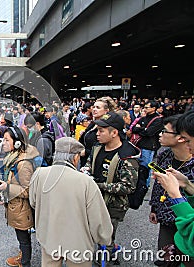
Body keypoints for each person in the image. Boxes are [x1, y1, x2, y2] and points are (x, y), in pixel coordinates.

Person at [29, 137, 113, 266]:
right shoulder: (85, 182)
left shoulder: (39, 174)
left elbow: (33, 202)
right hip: (78, 241)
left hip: (49, 235)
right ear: (75, 158)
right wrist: (103, 237)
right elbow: (97, 218)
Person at [82, 112, 139, 262]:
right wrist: (85, 172)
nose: (97, 134)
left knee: (106, 237)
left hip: (113, 205)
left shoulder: (127, 155)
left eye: (101, 131)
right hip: (93, 200)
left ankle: (107, 259)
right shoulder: (97, 148)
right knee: (93, 233)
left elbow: (128, 187)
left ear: (114, 133)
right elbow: (89, 164)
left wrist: (99, 185)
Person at [149, 114, 194, 265]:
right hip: (167, 221)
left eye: (188, 140)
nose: (160, 134)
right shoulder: (165, 154)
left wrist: (176, 194)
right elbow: (158, 186)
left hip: (185, 222)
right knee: (165, 259)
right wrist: (155, 208)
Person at [0, 126, 40, 267]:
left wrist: (7, 188)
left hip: (23, 208)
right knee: (22, 237)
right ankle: (23, 257)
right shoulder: (14, 157)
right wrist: (4, 191)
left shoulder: (23, 163)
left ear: (18, 143)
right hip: (16, 205)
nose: (3, 143)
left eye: (7, 140)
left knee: (23, 238)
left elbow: (28, 190)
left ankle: (25, 262)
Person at [131, 100, 163, 186]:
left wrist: (141, 128)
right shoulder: (143, 118)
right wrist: (143, 129)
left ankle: (145, 185)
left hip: (148, 147)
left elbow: (149, 132)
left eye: (146, 107)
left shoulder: (158, 120)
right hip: (138, 145)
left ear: (153, 108)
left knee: (145, 167)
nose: (144, 109)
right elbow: (133, 128)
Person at [79, 97, 117, 167]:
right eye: (93, 107)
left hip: (97, 163)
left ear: (106, 111)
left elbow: (106, 147)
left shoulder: (108, 127)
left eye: (98, 107)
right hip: (84, 161)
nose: (94, 109)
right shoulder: (93, 123)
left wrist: (86, 152)